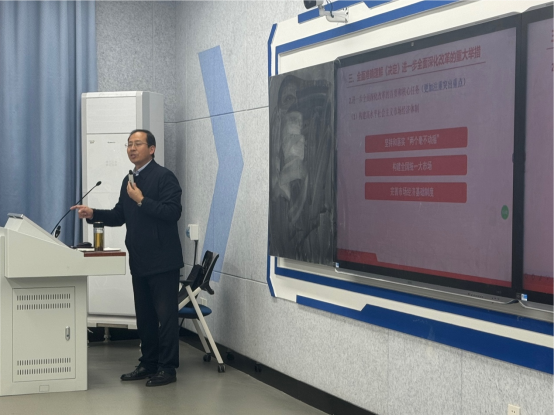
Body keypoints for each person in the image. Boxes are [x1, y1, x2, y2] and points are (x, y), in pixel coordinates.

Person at [72, 129, 184, 387]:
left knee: (166, 317)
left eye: (138, 144)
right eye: (129, 144)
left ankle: (167, 369)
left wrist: (142, 200)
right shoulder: (129, 179)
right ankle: (148, 363)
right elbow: (119, 215)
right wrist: (92, 213)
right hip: (140, 259)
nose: (132, 148)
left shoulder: (164, 177)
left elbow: (172, 212)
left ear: (151, 149)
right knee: (144, 317)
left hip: (163, 261)